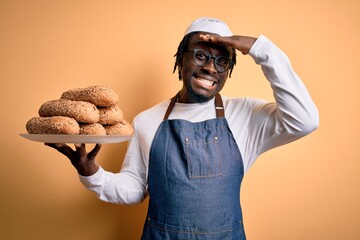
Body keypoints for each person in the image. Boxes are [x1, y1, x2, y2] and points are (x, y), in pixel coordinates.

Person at [46, 17, 319, 239]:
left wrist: (261, 49)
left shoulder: (246, 115)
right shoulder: (147, 120)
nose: (211, 67)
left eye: (223, 60)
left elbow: (304, 119)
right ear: (180, 60)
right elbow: (135, 188)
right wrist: (91, 173)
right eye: (201, 55)